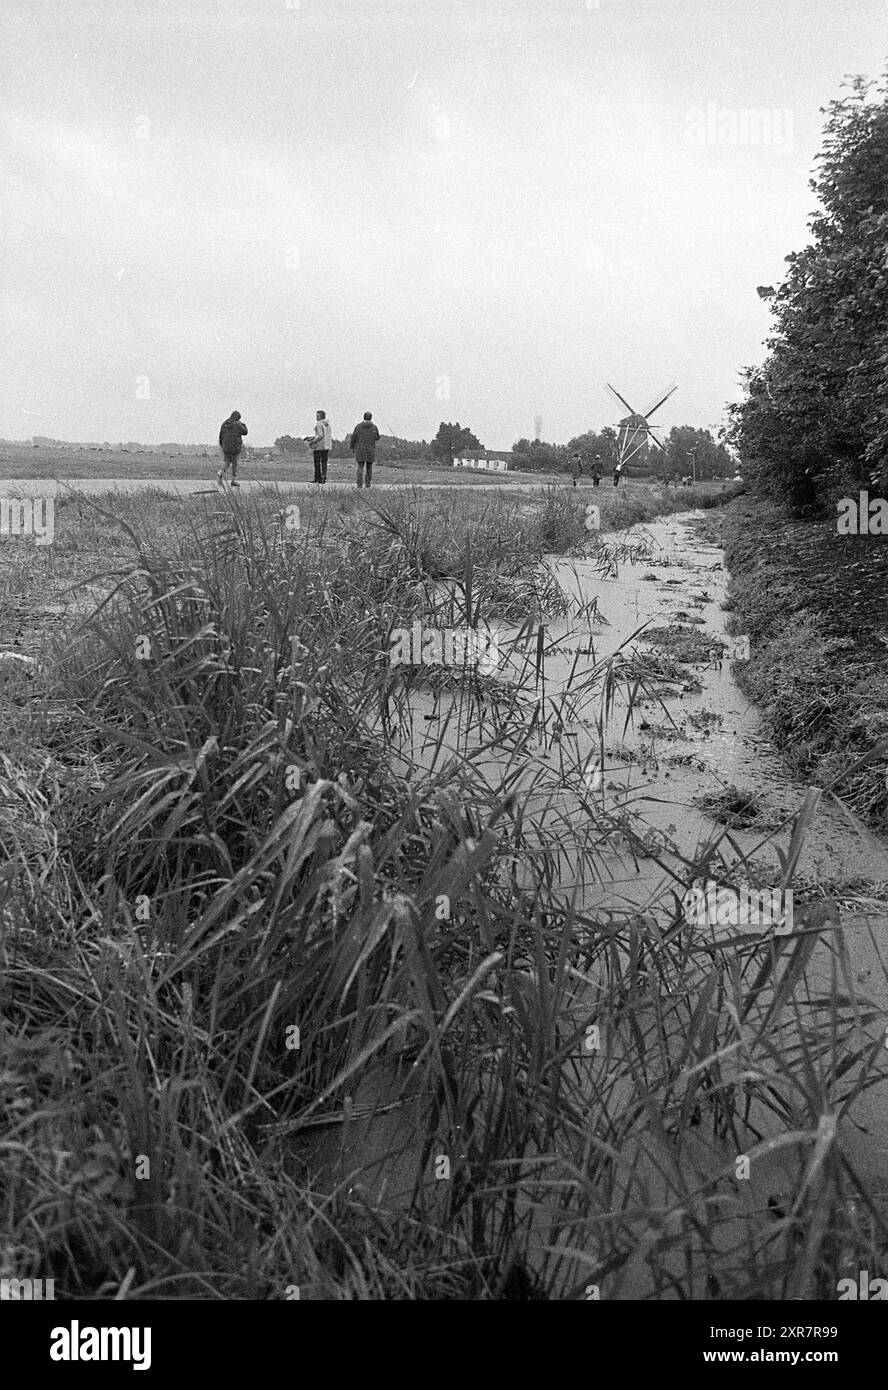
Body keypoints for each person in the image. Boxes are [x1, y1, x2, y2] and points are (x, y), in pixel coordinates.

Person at [349, 411, 380, 488]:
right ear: (371, 417)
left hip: (360, 449)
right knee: (369, 467)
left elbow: (353, 437)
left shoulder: (358, 426)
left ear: (363, 417)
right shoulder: (374, 427)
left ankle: (359, 484)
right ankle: (368, 484)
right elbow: (377, 437)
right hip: (370, 449)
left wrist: (352, 447)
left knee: (360, 466)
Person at [218, 410, 247, 487]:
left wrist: (222, 445)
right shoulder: (237, 424)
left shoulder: (224, 424)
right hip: (235, 447)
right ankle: (233, 481)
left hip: (226, 447)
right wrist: (242, 424)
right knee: (235, 464)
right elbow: (245, 432)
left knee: (226, 462)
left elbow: (220, 435)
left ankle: (221, 472)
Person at [305, 409, 332, 484]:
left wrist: (313, 441)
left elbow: (320, 435)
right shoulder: (327, 424)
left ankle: (317, 478)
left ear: (320, 416)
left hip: (319, 446)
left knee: (317, 463)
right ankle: (324, 476)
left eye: (317, 416)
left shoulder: (319, 424)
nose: (316, 417)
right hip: (326, 445)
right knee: (324, 462)